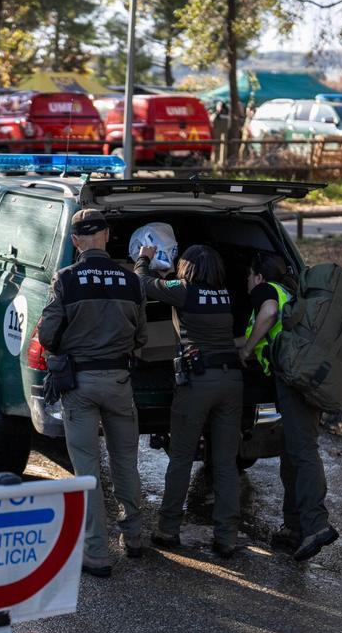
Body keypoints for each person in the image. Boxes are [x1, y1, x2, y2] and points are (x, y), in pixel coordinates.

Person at [37, 209, 146, 578]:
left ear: (75, 241)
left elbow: (48, 335)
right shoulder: (131, 281)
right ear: (108, 235)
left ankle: (97, 553)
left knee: (86, 469)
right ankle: (134, 537)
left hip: (80, 384)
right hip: (119, 381)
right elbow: (142, 335)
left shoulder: (66, 279)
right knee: (125, 462)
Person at [136, 242, 243, 558]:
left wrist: (144, 258)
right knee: (225, 462)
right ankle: (227, 537)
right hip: (232, 380)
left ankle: (168, 529)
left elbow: (142, 283)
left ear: (188, 269)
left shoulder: (182, 290)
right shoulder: (225, 294)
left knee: (182, 456)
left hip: (198, 381)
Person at [237, 253, 338, 561]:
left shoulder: (266, 291)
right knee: (291, 453)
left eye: (248, 276)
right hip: (304, 376)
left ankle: (316, 525)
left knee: (303, 450)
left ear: (258, 276)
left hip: (293, 381)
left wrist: (248, 350)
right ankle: (294, 527)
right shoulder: (291, 293)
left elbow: (267, 315)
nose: (247, 282)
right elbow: (264, 329)